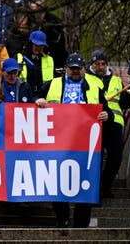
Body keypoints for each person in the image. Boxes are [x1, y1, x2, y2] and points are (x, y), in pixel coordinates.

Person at [35, 53, 111, 228]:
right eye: (72, 68)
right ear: (66, 68)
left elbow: (107, 110)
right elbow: (34, 98)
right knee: (57, 180)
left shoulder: (94, 86)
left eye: (79, 68)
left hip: (85, 145)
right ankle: (62, 219)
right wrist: (37, 100)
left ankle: (81, 225)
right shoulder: (53, 84)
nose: (76, 71)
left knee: (85, 181)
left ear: (84, 68)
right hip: (58, 142)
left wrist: (107, 114)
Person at [85, 49, 130, 198]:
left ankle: (105, 186)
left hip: (114, 124)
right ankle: (95, 190)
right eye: (97, 64)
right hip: (93, 123)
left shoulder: (116, 80)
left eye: (103, 64)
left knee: (116, 157)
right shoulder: (84, 79)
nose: (100, 67)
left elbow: (124, 103)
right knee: (95, 159)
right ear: (92, 64)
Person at [28, 0, 68, 69]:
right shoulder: (27, 20)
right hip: (32, 62)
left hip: (53, 62)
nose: (37, 6)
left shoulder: (54, 22)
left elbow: (59, 48)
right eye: (34, 2)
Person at [17, 30, 55, 95]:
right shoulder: (19, 58)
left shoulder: (49, 60)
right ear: (30, 44)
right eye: (36, 45)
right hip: (24, 95)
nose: (39, 48)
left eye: (41, 46)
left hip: (43, 96)